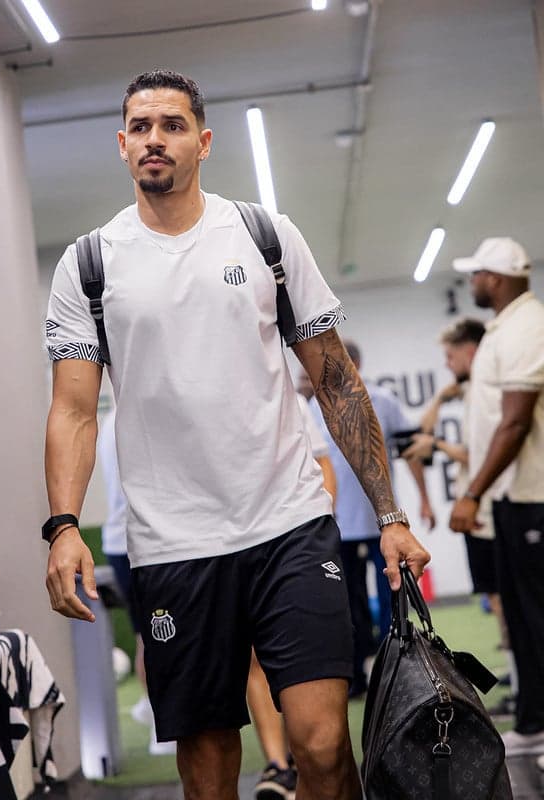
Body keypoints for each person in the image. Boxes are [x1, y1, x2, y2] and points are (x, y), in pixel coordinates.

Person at [43, 69, 430, 800]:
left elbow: (337, 380)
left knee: (321, 744)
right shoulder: (89, 264)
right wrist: (64, 525)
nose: (155, 139)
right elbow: (73, 410)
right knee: (209, 763)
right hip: (173, 545)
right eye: (140, 127)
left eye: (173, 125)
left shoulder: (264, 236)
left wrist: (391, 514)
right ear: (122, 144)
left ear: (204, 141)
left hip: (288, 524)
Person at [448, 237, 544, 757]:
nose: (472, 282)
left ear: (498, 279)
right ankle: (533, 723)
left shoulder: (528, 326)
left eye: (478, 274)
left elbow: (515, 422)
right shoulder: (503, 328)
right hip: (511, 498)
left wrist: (471, 493)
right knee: (523, 621)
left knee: (538, 616)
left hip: (534, 497)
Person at [307, 340, 435, 696]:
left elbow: (410, 451)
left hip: (381, 522)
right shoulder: (311, 407)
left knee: (394, 599)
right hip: (338, 524)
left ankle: (396, 673)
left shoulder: (383, 400)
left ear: (354, 364)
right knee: (349, 605)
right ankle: (358, 677)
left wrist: (424, 499)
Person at [247, 393, 336, 800]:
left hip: (293, 540)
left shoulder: (290, 399)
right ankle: (278, 765)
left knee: (300, 659)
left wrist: (322, 529)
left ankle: (301, 761)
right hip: (230, 545)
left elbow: (323, 465)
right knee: (253, 660)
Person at [402, 319, 510, 653]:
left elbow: (480, 455)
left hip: (490, 507)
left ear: (471, 353)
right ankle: (513, 658)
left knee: (503, 592)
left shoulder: (488, 392)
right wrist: (439, 398)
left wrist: (437, 446)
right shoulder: (469, 391)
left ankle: (519, 662)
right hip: (479, 512)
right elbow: (423, 431)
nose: (447, 364)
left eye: (451, 356)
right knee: (493, 591)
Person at [98, 409, 176, 756]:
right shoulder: (132, 416)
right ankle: (161, 724)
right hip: (138, 543)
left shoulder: (112, 420)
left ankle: (152, 708)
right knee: (157, 635)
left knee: (149, 634)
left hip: (126, 542)